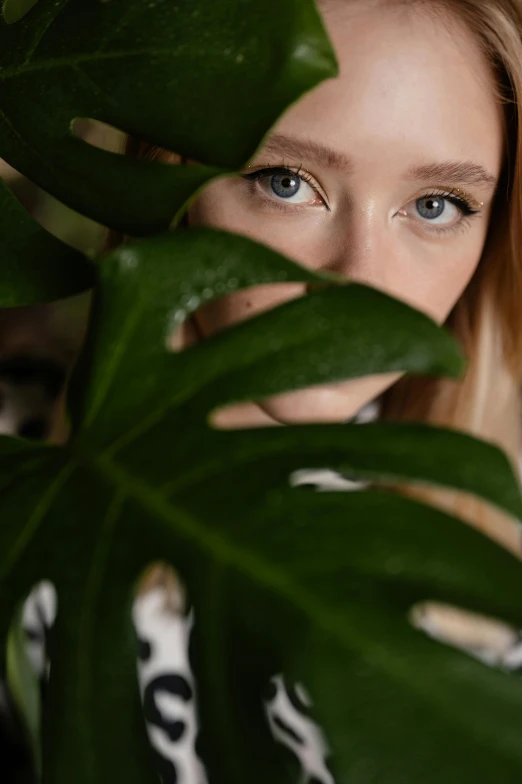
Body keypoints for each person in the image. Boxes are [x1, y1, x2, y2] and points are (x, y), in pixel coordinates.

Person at [16, 0, 522, 782]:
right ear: (164, 179)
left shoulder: (491, 590)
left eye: (435, 206)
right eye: (286, 182)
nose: (362, 282)